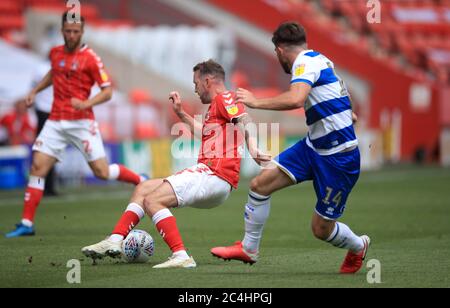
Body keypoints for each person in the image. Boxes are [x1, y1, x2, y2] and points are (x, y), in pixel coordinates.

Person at [211, 22, 370, 274]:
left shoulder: (303, 64)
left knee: (321, 230)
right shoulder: (321, 59)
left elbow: (296, 98)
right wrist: (347, 112)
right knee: (259, 185)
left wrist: (255, 102)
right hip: (312, 147)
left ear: (280, 50)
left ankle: (358, 246)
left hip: (339, 158)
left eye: (276, 54)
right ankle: (249, 248)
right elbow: (341, 91)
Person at [81, 60, 270, 269]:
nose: (195, 89)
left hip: (213, 175)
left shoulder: (225, 98)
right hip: (214, 179)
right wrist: (181, 113)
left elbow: (245, 119)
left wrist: (253, 147)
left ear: (207, 81)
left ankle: (180, 256)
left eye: (196, 83)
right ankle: (115, 239)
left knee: (153, 200)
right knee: (143, 188)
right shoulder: (217, 107)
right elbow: (205, 133)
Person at [5, 12, 146, 238]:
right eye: (68, 31)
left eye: (76, 32)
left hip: (82, 123)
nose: (72, 35)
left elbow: (108, 91)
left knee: (101, 171)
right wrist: (34, 91)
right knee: (37, 167)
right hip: (55, 121)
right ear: (62, 31)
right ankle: (26, 223)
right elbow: (54, 72)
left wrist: (86, 103)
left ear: (82, 33)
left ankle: (140, 180)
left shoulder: (91, 58)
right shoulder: (56, 53)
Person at [32, 59, 58, 196]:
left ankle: (40, 187)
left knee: (44, 151)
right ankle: (46, 187)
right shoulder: (50, 68)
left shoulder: (40, 68)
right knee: (48, 152)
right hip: (50, 112)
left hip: (46, 111)